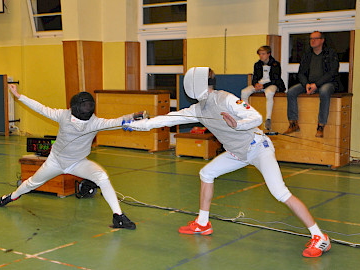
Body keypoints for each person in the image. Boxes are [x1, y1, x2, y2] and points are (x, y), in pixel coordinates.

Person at [124, 67, 331, 257]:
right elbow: (167, 119)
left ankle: (320, 237)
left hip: (258, 147)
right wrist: (138, 125)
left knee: (280, 192)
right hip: (237, 153)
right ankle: (203, 223)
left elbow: (256, 117)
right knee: (207, 173)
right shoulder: (197, 109)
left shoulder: (225, 99)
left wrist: (237, 124)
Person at [0, 84, 140, 230]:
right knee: (33, 183)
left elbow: (116, 122)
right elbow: (41, 109)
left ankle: (118, 217)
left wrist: (132, 118)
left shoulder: (94, 123)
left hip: (78, 162)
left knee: (101, 177)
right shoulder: (65, 116)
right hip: (55, 161)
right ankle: (12, 196)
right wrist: (19, 96)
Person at [284, 31, 341, 138]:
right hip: (309, 83)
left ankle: (321, 125)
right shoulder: (307, 55)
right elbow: (301, 73)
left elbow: (333, 72)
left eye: (315, 38)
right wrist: (306, 84)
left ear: (322, 40)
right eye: (310, 39)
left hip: (327, 83)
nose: (312, 41)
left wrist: (317, 85)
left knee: (324, 91)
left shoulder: (330, 53)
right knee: (291, 92)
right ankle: (293, 123)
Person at [240, 45, 285, 130]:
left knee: (269, 93)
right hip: (260, 83)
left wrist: (263, 86)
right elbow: (255, 77)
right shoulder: (257, 64)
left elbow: (276, 79)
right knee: (244, 92)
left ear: (268, 54)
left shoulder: (275, 64)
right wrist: (255, 84)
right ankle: (247, 114)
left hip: (271, 84)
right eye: (260, 54)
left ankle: (268, 119)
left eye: (263, 54)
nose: (261, 56)